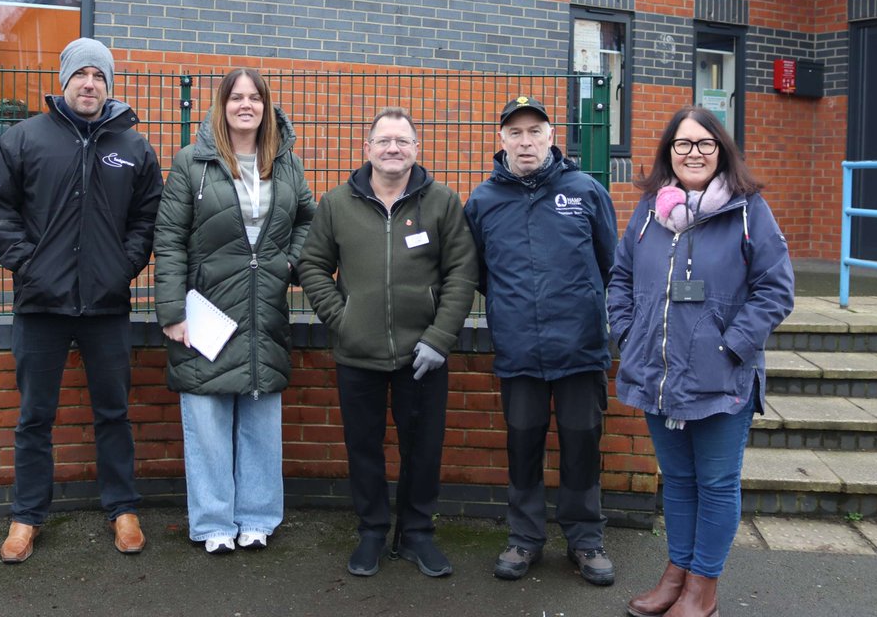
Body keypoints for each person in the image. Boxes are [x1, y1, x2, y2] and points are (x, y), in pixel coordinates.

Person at [0, 37, 164, 563]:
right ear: (64, 81)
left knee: (113, 413)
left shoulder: (134, 148)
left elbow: (147, 216)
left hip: (106, 304)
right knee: (35, 417)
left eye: (99, 76)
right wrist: (28, 262)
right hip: (41, 303)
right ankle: (26, 517)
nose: (89, 83)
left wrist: (124, 265)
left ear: (109, 85)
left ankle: (123, 510)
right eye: (81, 74)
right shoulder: (24, 139)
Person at [608, 107, 794, 617]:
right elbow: (620, 278)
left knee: (715, 484)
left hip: (721, 378)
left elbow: (776, 289)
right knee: (679, 481)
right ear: (669, 151)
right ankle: (677, 574)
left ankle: (702, 589)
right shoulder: (650, 211)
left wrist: (730, 346)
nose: (694, 153)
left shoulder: (748, 211)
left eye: (705, 143)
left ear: (721, 150)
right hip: (658, 374)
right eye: (683, 144)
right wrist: (629, 333)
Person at [297, 107, 478, 579]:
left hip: (424, 356)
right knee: (363, 448)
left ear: (416, 148)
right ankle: (372, 532)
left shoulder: (442, 202)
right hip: (357, 353)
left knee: (424, 449)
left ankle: (417, 534)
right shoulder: (337, 203)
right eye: (383, 140)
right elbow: (312, 265)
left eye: (402, 140)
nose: (393, 148)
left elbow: (462, 273)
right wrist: (342, 319)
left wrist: (440, 337)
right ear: (368, 149)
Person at [153, 68, 315, 554]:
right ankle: (213, 523)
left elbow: (308, 219)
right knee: (206, 418)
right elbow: (169, 238)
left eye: (255, 97)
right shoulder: (192, 163)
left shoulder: (286, 163)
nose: (246, 105)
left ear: (266, 106)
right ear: (222, 105)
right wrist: (172, 311)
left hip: (264, 306)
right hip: (206, 310)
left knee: (261, 419)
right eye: (236, 97)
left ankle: (258, 518)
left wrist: (289, 262)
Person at [463, 96, 619, 586]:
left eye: (535, 131)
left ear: (552, 137)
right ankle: (524, 538)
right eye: (516, 133)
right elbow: (480, 273)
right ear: (501, 140)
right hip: (519, 351)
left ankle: (585, 539)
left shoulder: (586, 191)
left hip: (581, 349)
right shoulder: (483, 201)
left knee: (582, 444)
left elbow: (611, 264)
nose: (526, 142)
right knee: (523, 445)